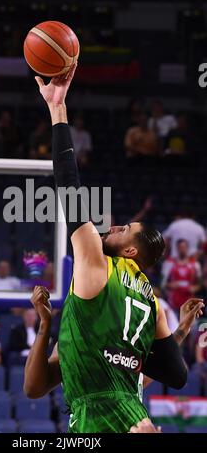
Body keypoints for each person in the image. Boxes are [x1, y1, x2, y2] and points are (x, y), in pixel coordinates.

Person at [24, 64, 189, 433]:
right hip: (134, 411)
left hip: (99, 416)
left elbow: (68, 185)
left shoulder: (96, 264)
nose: (114, 227)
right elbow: (175, 374)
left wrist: (57, 108)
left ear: (130, 252)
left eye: (125, 230)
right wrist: (176, 336)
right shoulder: (152, 303)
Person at [24, 287, 204, 431]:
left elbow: (140, 379)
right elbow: (33, 388)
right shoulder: (74, 341)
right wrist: (45, 322)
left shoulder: (130, 343)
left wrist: (182, 329)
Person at [163, 239, 202, 312]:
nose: (182, 249)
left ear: (187, 248)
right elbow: (162, 284)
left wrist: (194, 288)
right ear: (177, 248)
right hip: (173, 302)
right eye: (180, 247)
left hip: (189, 301)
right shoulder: (169, 263)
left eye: (184, 247)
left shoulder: (195, 264)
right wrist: (169, 285)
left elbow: (200, 283)